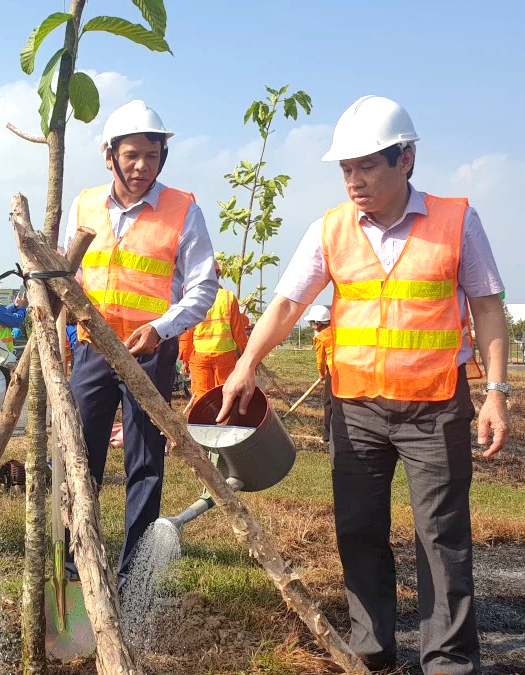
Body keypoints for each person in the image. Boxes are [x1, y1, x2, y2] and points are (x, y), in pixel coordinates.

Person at [218, 96, 508, 675]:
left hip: (435, 408)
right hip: (354, 410)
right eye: (346, 169)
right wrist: (247, 362)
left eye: (367, 166)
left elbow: (487, 305)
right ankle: (370, 652)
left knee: (441, 537)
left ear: (406, 161)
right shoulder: (330, 229)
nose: (354, 181)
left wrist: (496, 392)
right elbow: (287, 303)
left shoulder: (456, 220)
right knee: (357, 529)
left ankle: (448, 661)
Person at [62, 100, 217, 587]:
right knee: (79, 454)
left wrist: (162, 328)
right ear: (110, 156)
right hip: (92, 348)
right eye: (131, 155)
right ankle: (74, 563)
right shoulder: (85, 204)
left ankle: (134, 574)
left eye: (151, 155)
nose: (141, 165)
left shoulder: (183, 209)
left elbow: (202, 289)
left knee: (144, 461)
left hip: (150, 352)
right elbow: (68, 274)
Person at [177, 261, 249, 399]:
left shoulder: (194, 297)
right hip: (225, 354)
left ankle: (203, 420)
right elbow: (238, 331)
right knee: (226, 393)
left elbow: (187, 332)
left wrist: (185, 359)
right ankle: (225, 419)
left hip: (200, 355)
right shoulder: (228, 297)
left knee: (202, 395)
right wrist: (247, 355)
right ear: (219, 275)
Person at [306, 304, 334, 442]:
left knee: (328, 402)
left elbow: (320, 361)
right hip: (346, 369)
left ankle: (328, 435)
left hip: (334, 371)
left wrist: (322, 374)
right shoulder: (335, 331)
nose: (310, 325)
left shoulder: (321, 338)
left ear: (317, 324)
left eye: (311, 322)